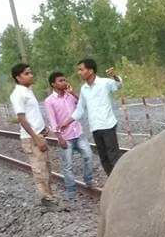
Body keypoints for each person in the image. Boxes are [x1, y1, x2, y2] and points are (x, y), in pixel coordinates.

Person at [60, 58, 123, 175]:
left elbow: (119, 85)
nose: (79, 72)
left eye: (81, 69)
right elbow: (79, 109)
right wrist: (66, 122)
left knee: (113, 156)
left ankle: (120, 182)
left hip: (108, 125)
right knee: (104, 158)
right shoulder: (84, 89)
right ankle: (112, 182)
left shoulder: (105, 83)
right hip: (95, 127)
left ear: (90, 71)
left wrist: (114, 76)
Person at [9, 63, 59, 209]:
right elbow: (21, 118)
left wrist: (42, 129)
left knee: (46, 168)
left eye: (30, 72)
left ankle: (50, 197)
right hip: (31, 138)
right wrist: (36, 137)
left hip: (38, 135)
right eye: (26, 73)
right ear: (18, 77)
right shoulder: (18, 94)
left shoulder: (27, 91)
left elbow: (32, 115)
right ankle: (47, 199)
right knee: (39, 170)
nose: (31, 75)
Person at [44, 71, 94, 202]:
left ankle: (88, 180)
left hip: (78, 133)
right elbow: (52, 120)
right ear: (53, 84)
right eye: (60, 81)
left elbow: (82, 104)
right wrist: (59, 138)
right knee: (68, 166)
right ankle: (71, 191)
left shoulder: (69, 96)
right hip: (65, 137)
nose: (64, 82)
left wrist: (72, 93)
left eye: (65, 80)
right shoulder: (49, 101)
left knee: (88, 156)